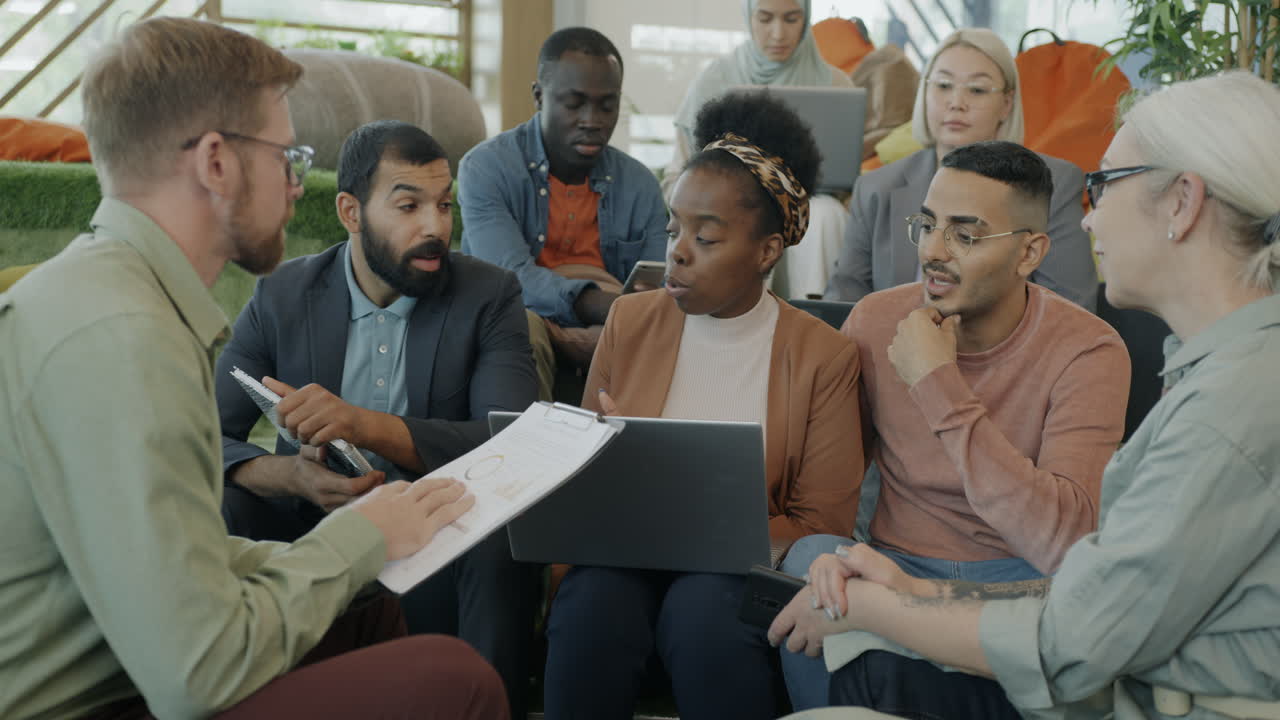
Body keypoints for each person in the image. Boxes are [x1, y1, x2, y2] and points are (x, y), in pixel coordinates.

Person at [0, 17, 507, 720]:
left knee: (364, 611)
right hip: (95, 702)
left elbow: (173, 558)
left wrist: (356, 545)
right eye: (286, 158)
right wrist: (359, 538)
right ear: (216, 163)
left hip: (118, 656)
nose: (296, 186)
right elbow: (196, 676)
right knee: (458, 678)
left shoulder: (97, 289)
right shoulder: (129, 341)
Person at [771, 71, 1280, 720]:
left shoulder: (1227, 408)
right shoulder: (1222, 373)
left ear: (1182, 203)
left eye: (1104, 184)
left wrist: (883, 606)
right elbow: (1099, 599)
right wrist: (910, 594)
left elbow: (1076, 635)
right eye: (928, 225)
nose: (1089, 217)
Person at [776, 139, 1130, 712]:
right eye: (927, 225)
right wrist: (833, 558)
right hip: (894, 561)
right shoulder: (875, 320)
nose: (933, 251)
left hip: (1022, 580)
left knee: (1086, 605)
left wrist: (937, 382)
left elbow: (1064, 543)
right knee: (810, 563)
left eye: (964, 235)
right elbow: (829, 483)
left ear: (1029, 253)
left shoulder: (1089, 350)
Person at [542, 91, 863, 720]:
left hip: (742, 567)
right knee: (589, 609)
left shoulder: (824, 356)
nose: (678, 252)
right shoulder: (630, 322)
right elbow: (576, 486)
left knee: (704, 618)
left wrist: (714, 542)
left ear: (767, 251)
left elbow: (822, 521)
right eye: (674, 230)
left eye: (706, 237)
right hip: (626, 552)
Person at [214, 119, 540, 717]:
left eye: (444, 205)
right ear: (351, 212)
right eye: (409, 206)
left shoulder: (489, 295)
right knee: (226, 504)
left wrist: (359, 425)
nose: (435, 227)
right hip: (312, 528)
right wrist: (290, 476)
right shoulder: (283, 296)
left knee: (502, 539)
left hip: (437, 530)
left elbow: (510, 441)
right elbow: (207, 436)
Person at [825, 28, 1098, 312]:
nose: (956, 103)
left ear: (1006, 104)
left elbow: (1071, 309)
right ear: (925, 93)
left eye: (977, 90)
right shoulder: (875, 187)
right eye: (943, 85)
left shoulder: (1053, 183)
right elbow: (843, 301)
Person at [458, 27, 667, 395]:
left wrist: (619, 319)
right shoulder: (487, 168)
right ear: (539, 96)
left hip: (614, 323)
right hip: (520, 316)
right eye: (574, 103)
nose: (592, 120)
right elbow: (508, 280)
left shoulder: (640, 184)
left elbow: (659, 287)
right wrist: (596, 306)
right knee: (522, 328)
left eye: (607, 105)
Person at [667, 0, 856, 300]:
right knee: (746, 218)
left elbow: (851, 181)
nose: (778, 33)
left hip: (811, 207)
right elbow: (678, 173)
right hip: (730, 208)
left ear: (806, 19)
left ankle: (817, 316)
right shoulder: (714, 80)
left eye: (791, 19)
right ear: (748, 17)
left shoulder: (836, 83)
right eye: (765, 19)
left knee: (826, 214)